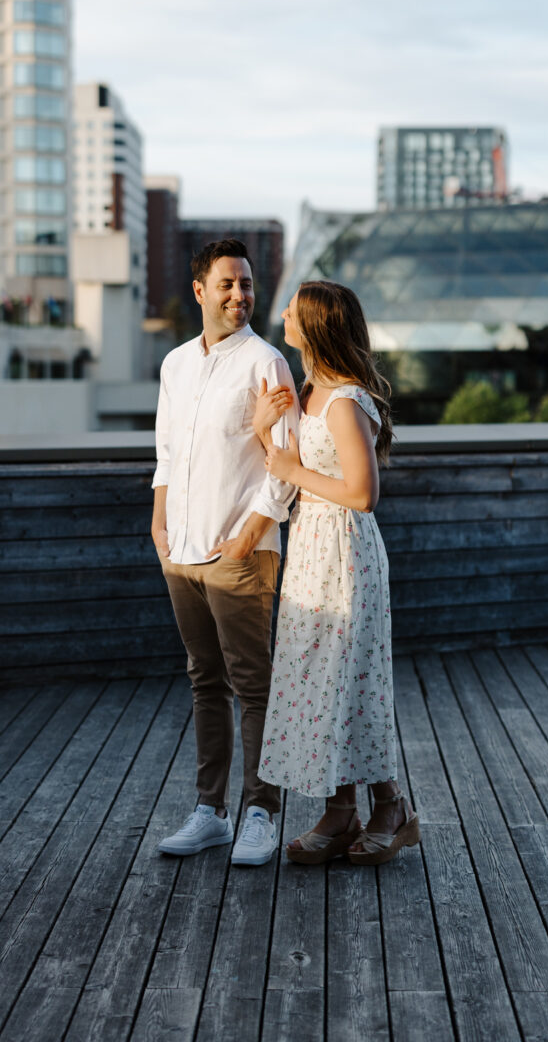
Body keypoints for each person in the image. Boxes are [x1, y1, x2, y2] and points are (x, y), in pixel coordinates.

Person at [253, 280, 420, 865]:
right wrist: (262, 429)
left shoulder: (346, 400)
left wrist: (289, 469)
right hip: (311, 549)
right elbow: (284, 462)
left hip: (345, 552)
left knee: (349, 681)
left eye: (293, 312)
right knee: (319, 683)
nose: (283, 317)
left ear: (316, 325)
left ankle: (390, 807)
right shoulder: (308, 390)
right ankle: (342, 808)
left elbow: (363, 492)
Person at [152, 238, 299, 866]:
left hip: (240, 552)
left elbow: (286, 467)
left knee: (253, 685)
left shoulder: (267, 362)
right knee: (203, 681)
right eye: (227, 284)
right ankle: (210, 812)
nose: (240, 295)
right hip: (179, 549)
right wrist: (158, 526)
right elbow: (165, 452)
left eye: (246, 284)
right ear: (199, 291)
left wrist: (244, 538)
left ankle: (261, 811)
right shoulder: (175, 364)